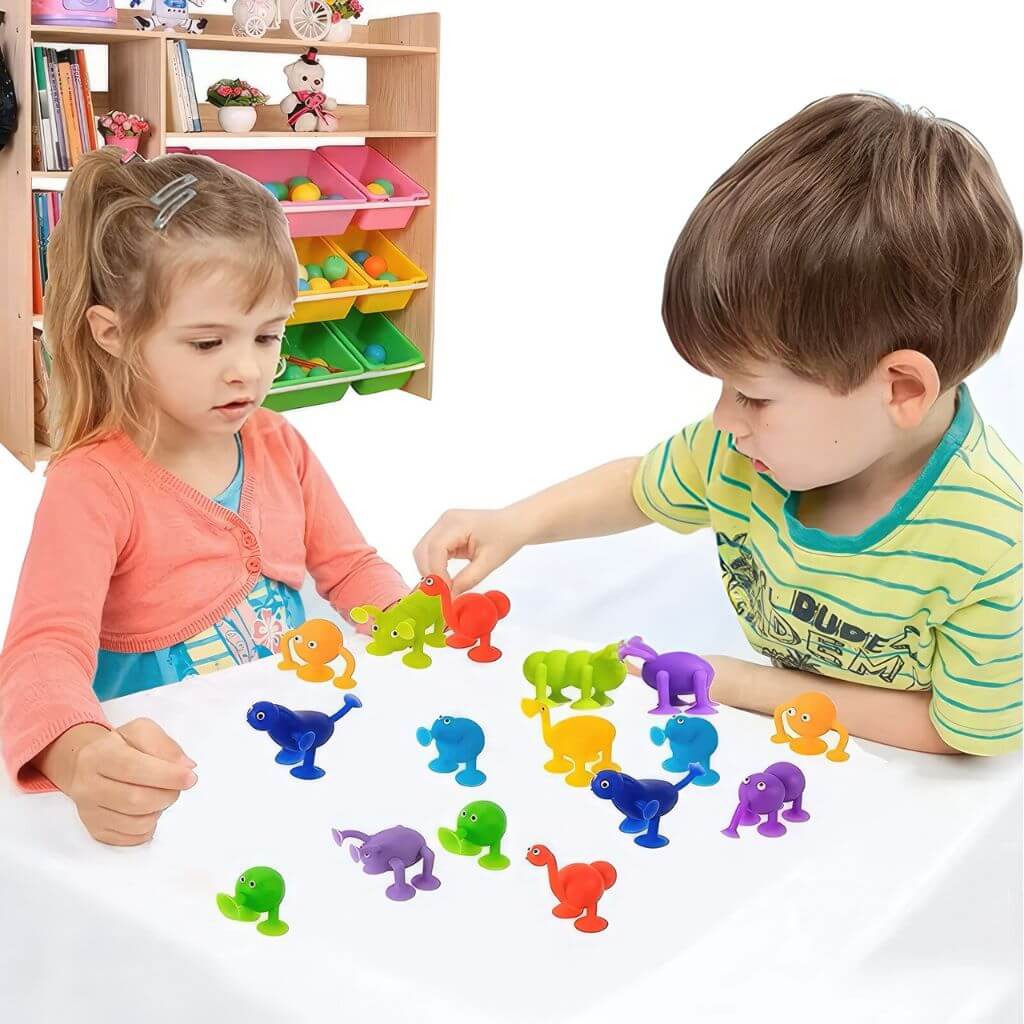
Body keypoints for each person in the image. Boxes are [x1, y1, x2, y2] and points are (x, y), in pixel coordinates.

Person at [415, 93, 1022, 757]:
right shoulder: (744, 451)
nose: (723, 419)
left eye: (754, 396)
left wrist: (744, 684)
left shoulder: (992, 545)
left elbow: (965, 732)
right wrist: (516, 523)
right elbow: (642, 486)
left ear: (901, 388)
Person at [0, 149, 407, 844]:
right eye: (208, 342)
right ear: (115, 334)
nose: (247, 369)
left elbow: (350, 568)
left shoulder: (280, 445)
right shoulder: (93, 485)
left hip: (287, 748)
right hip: (171, 785)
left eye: (269, 334)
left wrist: (412, 619)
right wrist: (81, 757)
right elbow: (41, 653)